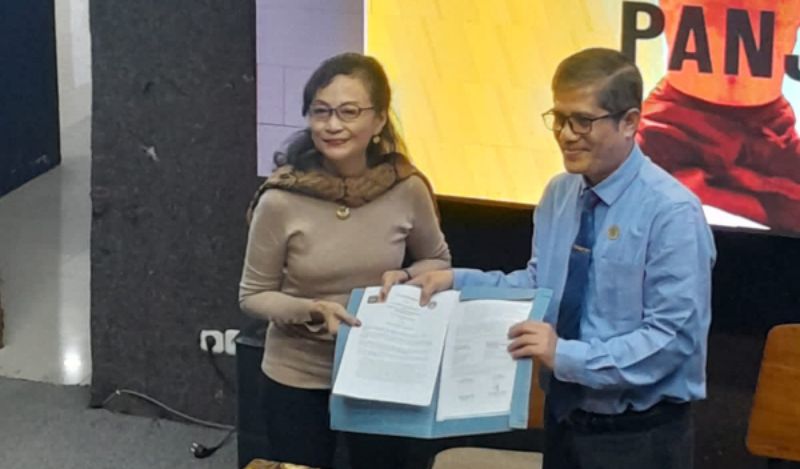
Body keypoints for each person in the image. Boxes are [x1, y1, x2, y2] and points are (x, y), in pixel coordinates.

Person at [404, 48, 716, 469]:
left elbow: (671, 340)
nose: (566, 135)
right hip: (564, 422)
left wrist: (566, 356)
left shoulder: (672, 212)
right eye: (559, 118)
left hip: (639, 437)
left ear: (629, 122)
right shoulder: (559, 193)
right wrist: (455, 281)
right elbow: (540, 288)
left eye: (582, 121)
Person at [239, 52, 451, 469]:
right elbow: (253, 295)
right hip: (297, 373)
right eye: (321, 112)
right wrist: (312, 310)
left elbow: (438, 262)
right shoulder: (281, 198)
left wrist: (406, 274)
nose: (332, 125)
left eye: (349, 112)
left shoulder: (406, 188)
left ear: (379, 120)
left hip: (381, 371)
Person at [638, 0, 800, 232]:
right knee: (616, 181)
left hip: (766, 124)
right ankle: (701, 189)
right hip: (677, 115)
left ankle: (702, 190)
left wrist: (705, 193)